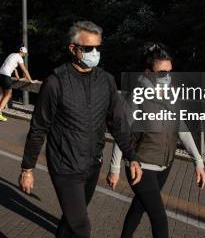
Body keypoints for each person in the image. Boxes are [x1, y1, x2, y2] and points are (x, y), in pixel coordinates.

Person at [20, 21, 142, 238]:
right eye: (88, 48)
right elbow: (39, 127)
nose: (94, 53)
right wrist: (27, 168)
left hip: (92, 164)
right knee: (82, 227)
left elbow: (117, 123)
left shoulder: (106, 81)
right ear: (73, 48)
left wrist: (131, 156)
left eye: (97, 48)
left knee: (70, 222)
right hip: (65, 165)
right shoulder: (55, 82)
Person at [106, 43, 205, 238]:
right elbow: (122, 133)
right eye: (162, 73)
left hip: (165, 164)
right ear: (148, 72)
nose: (167, 77)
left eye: (169, 72)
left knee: (140, 205)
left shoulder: (172, 94)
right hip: (140, 164)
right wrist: (115, 168)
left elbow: (182, 128)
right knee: (159, 218)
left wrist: (198, 161)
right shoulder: (136, 96)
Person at [0, 46, 33, 122]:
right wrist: (31, 80)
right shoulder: (20, 58)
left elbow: (14, 68)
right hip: (6, 76)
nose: (25, 56)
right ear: (24, 53)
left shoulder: (12, 55)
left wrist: (18, 78)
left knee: (0, 95)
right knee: (8, 94)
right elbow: (24, 69)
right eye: (25, 54)